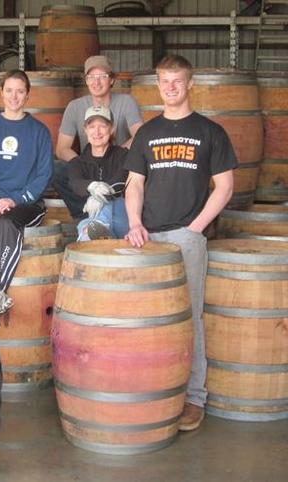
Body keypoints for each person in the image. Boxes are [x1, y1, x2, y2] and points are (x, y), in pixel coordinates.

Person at [124, 54, 237, 432]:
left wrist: (196, 228)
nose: (170, 87)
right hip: (148, 238)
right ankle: (152, 388)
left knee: (190, 318)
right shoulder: (147, 133)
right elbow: (135, 183)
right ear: (157, 85)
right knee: (146, 317)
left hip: (186, 237)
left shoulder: (210, 131)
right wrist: (135, 222)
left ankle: (193, 397)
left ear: (190, 84)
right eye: (164, 81)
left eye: (177, 81)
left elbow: (225, 186)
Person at [0, 69, 53, 316]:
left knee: (5, 225)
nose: (14, 96)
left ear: (28, 95)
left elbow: (43, 174)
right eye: (9, 91)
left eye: (20, 91)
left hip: (27, 203)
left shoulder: (39, 131)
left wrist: (16, 200)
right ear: (1, 93)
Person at [53, 55, 142, 219]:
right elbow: (62, 148)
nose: (97, 82)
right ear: (86, 80)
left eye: (102, 76)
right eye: (91, 77)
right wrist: (80, 165)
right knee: (55, 169)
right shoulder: (75, 106)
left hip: (118, 168)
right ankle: (85, 213)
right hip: (88, 167)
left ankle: (108, 211)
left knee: (140, 168)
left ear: (112, 80)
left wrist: (116, 154)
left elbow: (140, 136)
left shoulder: (126, 102)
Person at [68, 105, 128, 241]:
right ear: (85, 130)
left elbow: (123, 177)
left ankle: (98, 225)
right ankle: (94, 231)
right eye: (92, 127)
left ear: (112, 129)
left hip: (122, 219)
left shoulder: (124, 155)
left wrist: (101, 195)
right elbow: (75, 182)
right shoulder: (77, 162)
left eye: (102, 126)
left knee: (112, 200)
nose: (97, 131)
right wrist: (92, 186)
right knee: (85, 229)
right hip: (90, 217)